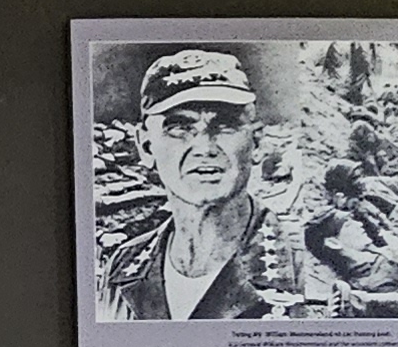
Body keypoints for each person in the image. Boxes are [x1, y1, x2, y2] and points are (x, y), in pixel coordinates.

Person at [98, 49, 290, 322]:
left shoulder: (298, 264)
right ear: (146, 146)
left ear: (256, 142)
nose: (204, 147)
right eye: (179, 127)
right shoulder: (122, 270)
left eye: (225, 124)